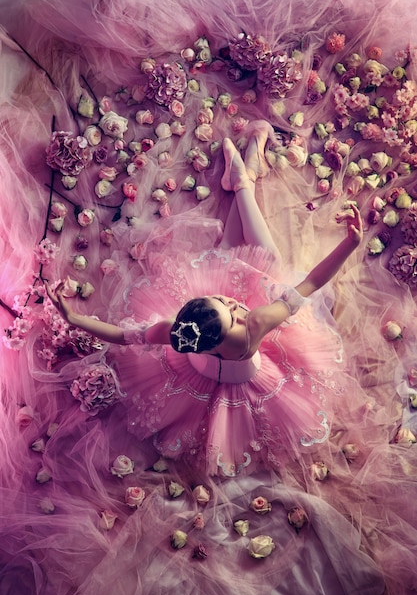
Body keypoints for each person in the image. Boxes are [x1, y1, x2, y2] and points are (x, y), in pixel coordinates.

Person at [47, 124, 363, 477]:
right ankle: (244, 182)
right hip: (244, 375)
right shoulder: (256, 323)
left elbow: (122, 336)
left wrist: (74, 318)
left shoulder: (175, 331)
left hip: (206, 364)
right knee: (267, 259)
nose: (233, 302)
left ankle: (242, 182)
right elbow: (310, 282)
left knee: (230, 257)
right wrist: (349, 244)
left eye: (221, 300)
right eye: (229, 308)